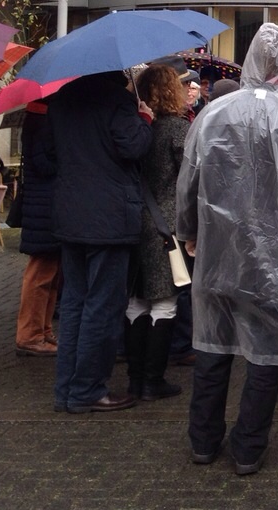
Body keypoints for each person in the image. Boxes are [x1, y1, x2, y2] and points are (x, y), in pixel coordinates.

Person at [177, 24, 278, 475]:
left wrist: (188, 231)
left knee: (214, 344)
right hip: (275, 256)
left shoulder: (212, 114)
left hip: (218, 250)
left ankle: (203, 439)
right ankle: (248, 447)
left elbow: (188, 181)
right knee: (266, 352)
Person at [44, 70, 154, 414]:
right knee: (103, 307)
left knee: (74, 304)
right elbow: (134, 147)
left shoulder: (60, 101)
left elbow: (47, 154)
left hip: (71, 215)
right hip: (109, 218)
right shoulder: (117, 100)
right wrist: (145, 120)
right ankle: (88, 389)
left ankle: (67, 389)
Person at [124, 63, 190, 401]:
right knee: (164, 304)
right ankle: (153, 381)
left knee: (136, 301)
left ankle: (135, 380)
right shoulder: (178, 128)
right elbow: (190, 178)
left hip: (133, 220)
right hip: (167, 226)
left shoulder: (133, 127)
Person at [14, 102, 61, 357]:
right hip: (45, 206)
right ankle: (30, 335)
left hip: (45, 205)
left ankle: (42, 330)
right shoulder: (43, 122)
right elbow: (44, 164)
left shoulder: (40, 120)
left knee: (51, 275)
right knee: (40, 274)